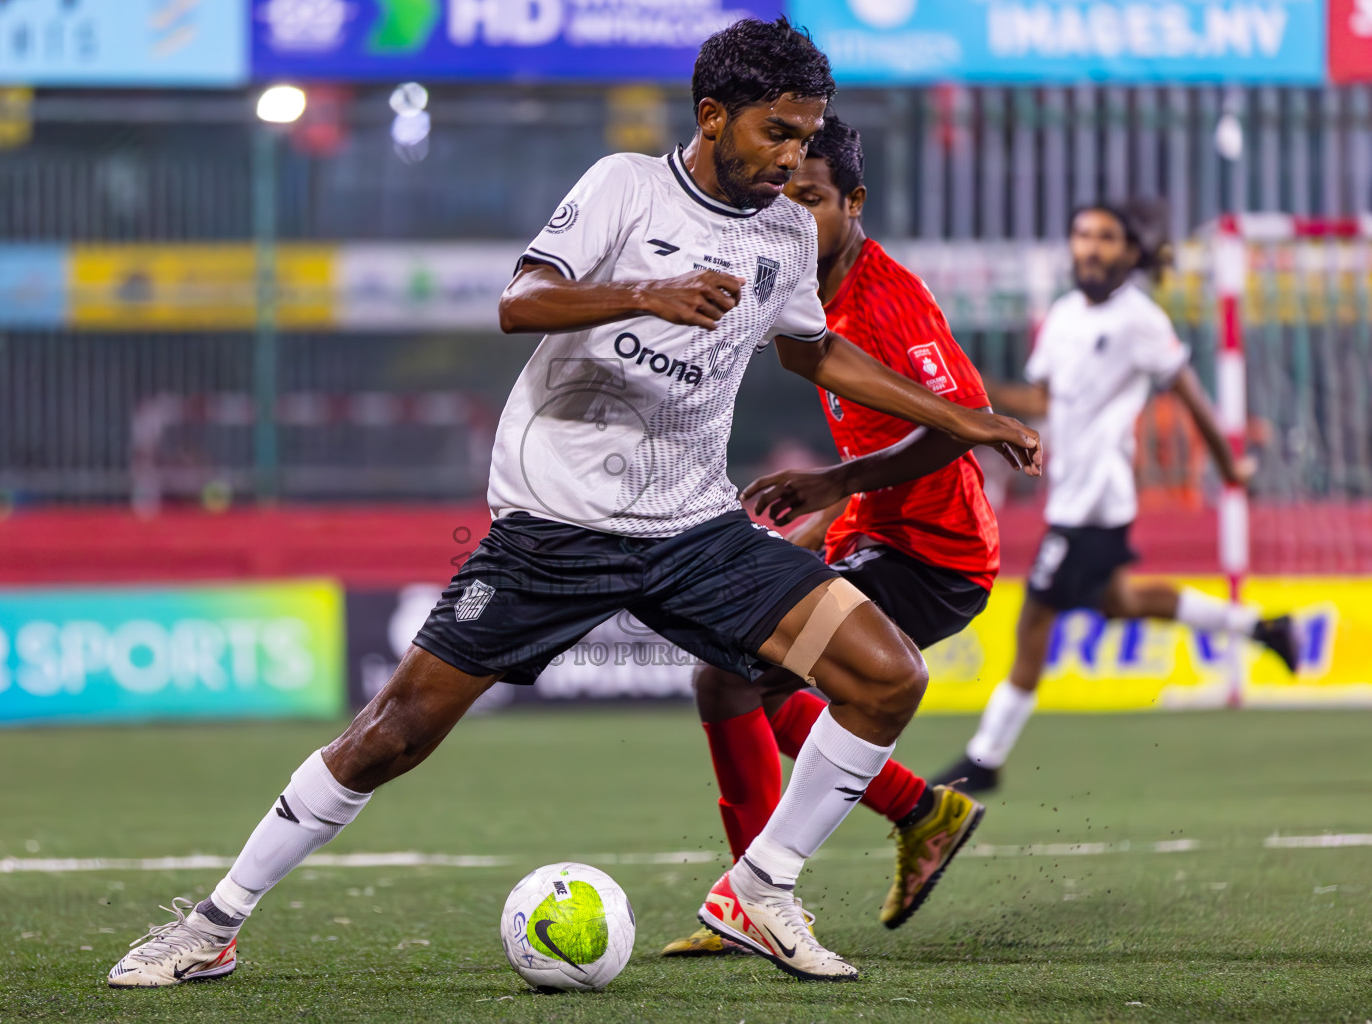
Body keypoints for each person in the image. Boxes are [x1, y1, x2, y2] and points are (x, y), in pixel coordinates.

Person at [107, 18, 1040, 988]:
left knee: (884, 676)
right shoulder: (622, 189)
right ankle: (211, 923)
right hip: (556, 530)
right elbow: (521, 300)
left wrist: (965, 418)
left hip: (693, 533)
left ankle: (761, 887)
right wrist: (647, 292)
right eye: (776, 132)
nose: (791, 157)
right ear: (713, 116)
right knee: (395, 731)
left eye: (806, 137)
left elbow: (812, 350)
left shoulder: (781, 231)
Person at [661, 116, 999, 958]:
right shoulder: (805, 286)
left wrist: (836, 485)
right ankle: (791, 880)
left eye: (810, 198)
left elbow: (961, 425)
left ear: (854, 201)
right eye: (782, 196)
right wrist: (829, 517)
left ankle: (782, 881)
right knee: (731, 677)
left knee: (733, 675)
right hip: (872, 532)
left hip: (934, 556)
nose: (792, 214)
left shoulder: (890, 297)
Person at [930, 200, 1297, 795]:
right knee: (1121, 601)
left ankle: (986, 756)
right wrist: (976, 393)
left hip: (1096, 501)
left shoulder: (1139, 320)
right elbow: (1047, 402)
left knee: (1034, 621)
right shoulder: (1063, 316)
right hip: (1069, 494)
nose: (1091, 247)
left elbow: (1189, 392)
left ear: (1130, 253)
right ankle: (1261, 628)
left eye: (1105, 237)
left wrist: (1230, 465)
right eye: (1082, 235)